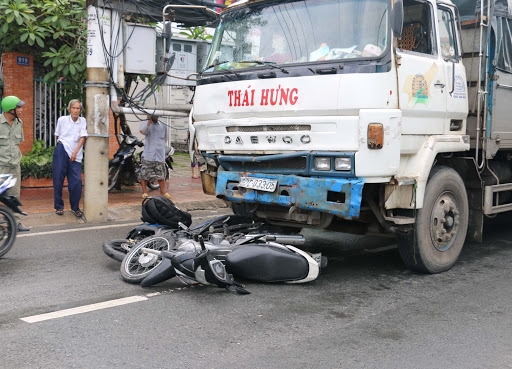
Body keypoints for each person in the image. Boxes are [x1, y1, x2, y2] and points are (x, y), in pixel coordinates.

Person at [52, 99, 87, 217]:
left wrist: (75, 152)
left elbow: (83, 137)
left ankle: (75, 207)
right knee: (58, 179)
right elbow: (58, 136)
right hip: (62, 150)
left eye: (78, 108)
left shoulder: (83, 121)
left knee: (76, 181)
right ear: (69, 109)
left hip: (75, 153)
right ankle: (58, 206)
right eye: (74, 108)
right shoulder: (62, 120)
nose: (76, 110)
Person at [0, 96, 30, 231]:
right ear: (10, 109)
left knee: (14, 195)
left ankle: (16, 223)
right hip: (1, 167)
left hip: (14, 167)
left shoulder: (19, 123)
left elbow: (18, 144)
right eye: (18, 107)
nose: (21, 110)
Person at [139, 114, 172, 199]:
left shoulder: (163, 125)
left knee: (161, 174)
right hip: (149, 154)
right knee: (145, 174)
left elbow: (165, 139)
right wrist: (149, 121)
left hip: (160, 154)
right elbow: (143, 131)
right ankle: (144, 192)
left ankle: (163, 192)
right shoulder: (146, 123)